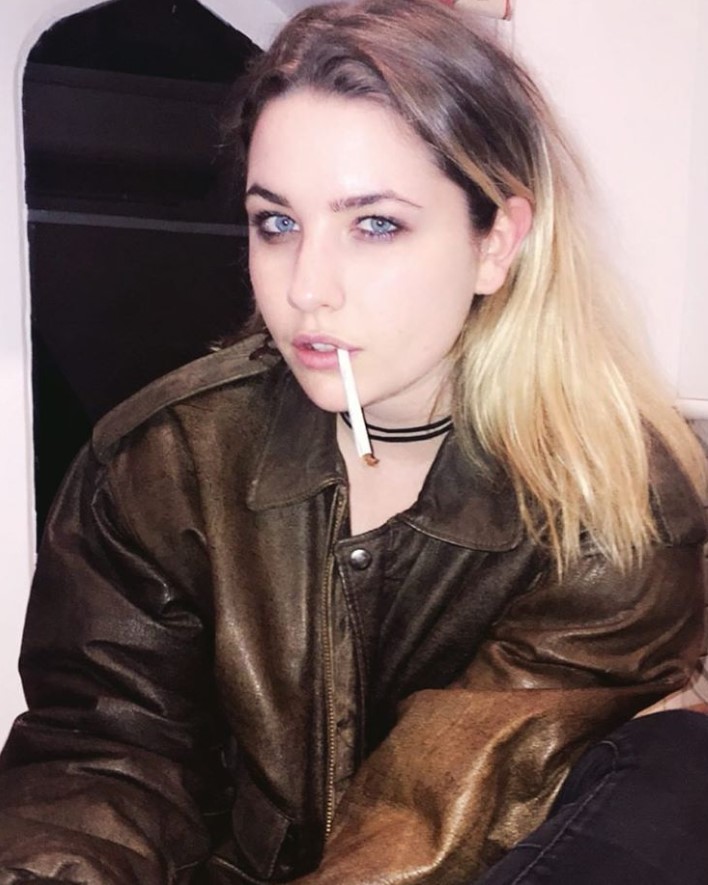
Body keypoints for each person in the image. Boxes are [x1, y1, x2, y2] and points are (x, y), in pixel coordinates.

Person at [0, 0, 707, 882]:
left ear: (497, 242)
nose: (307, 287)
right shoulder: (162, 462)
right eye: (276, 222)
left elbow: (441, 809)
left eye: (375, 224)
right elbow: (106, 756)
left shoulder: (614, 501)